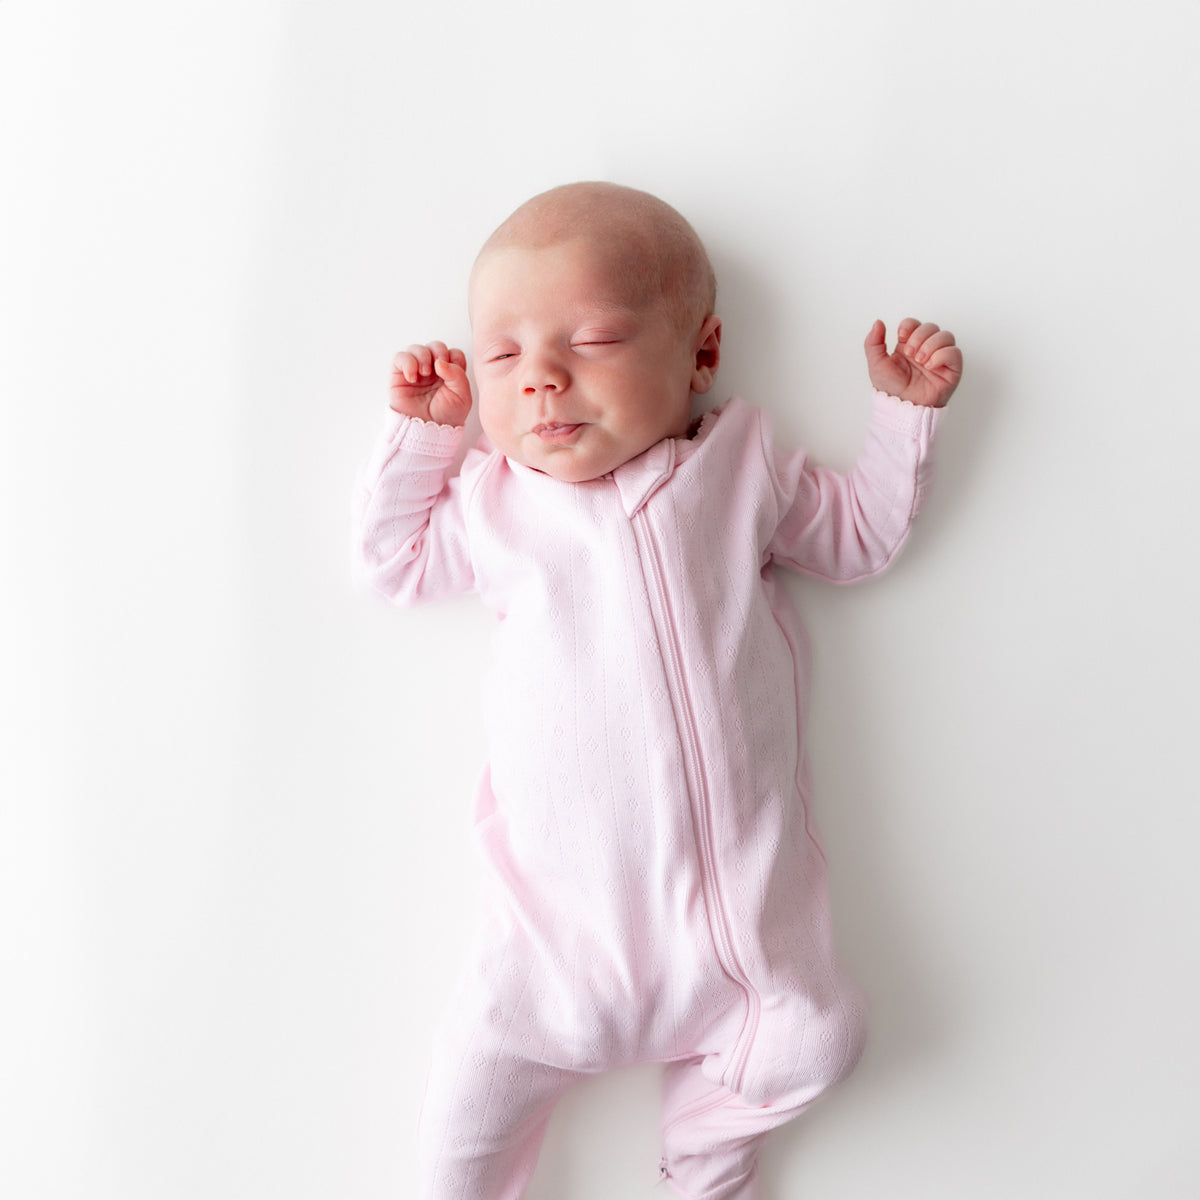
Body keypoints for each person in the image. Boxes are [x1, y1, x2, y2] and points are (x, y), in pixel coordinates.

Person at [353, 181, 962, 1200]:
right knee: (464, 1114)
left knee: (826, 1038)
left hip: (744, 959)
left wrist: (904, 418)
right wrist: (423, 437)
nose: (541, 379)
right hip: (551, 959)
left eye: (591, 341)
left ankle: (706, 1158)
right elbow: (393, 564)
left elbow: (856, 539)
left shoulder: (743, 471)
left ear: (702, 354)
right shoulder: (497, 506)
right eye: (501, 356)